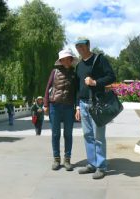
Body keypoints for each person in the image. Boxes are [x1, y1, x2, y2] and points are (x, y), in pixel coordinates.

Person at [74, 37, 116, 179]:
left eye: (82, 46)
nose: (79, 49)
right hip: (83, 104)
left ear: (88, 46)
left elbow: (111, 76)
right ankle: (92, 164)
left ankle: (101, 166)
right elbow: (77, 88)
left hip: (96, 104)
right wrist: (77, 107)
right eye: (77, 47)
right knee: (87, 135)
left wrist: (95, 82)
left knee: (99, 137)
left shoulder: (99, 60)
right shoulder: (79, 66)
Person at [44, 48, 77, 171]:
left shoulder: (75, 73)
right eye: (63, 59)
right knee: (55, 133)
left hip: (69, 106)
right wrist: (46, 104)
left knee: (68, 134)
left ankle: (67, 159)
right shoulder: (54, 72)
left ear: (71, 59)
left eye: (68, 58)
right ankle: (56, 159)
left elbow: (77, 91)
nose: (66, 61)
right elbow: (48, 88)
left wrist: (77, 106)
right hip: (55, 106)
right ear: (61, 60)